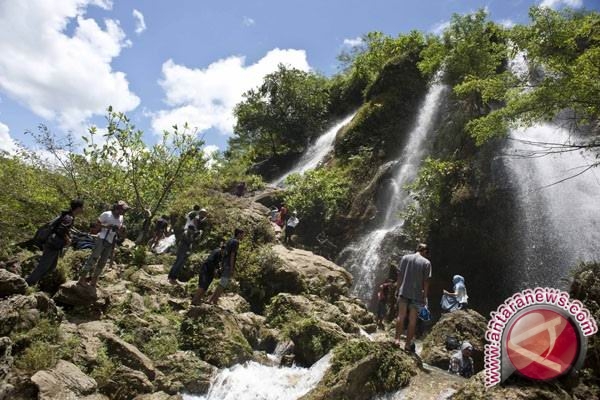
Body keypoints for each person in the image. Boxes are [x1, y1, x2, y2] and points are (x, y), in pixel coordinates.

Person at [26, 199, 84, 286]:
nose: (83, 209)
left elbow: (63, 228)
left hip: (54, 244)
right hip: (53, 244)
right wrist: (67, 239)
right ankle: (28, 283)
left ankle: (35, 282)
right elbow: (61, 230)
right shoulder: (69, 217)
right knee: (44, 266)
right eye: (82, 207)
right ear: (78, 208)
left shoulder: (68, 215)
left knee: (51, 266)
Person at [78, 201, 128, 287]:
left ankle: (94, 281)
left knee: (103, 262)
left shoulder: (121, 218)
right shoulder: (106, 214)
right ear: (118, 208)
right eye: (123, 210)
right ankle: (82, 279)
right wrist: (106, 226)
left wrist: (121, 230)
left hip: (110, 241)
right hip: (101, 238)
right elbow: (94, 225)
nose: (124, 212)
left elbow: (119, 231)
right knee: (93, 258)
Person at [395, 243, 432, 352]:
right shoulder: (426, 263)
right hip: (417, 295)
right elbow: (426, 282)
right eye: (427, 253)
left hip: (404, 292)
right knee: (412, 320)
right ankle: (407, 345)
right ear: (425, 251)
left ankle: (396, 340)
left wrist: (397, 289)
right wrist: (425, 297)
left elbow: (400, 275)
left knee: (400, 316)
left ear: (417, 249)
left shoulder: (405, 258)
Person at [209, 228, 245, 304]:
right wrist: (232, 268)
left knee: (222, 283)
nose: (243, 237)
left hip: (225, 264)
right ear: (239, 234)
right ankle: (213, 300)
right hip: (228, 265)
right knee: (223, 283)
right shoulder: (236, 242)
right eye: (242, 235)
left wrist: (222, 264)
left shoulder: (230, 240)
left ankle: (212, 299)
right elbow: (232, 255)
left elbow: (224, 253)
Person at [168, 211, 204, 284]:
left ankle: (172, 277)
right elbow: (188, 240)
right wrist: (195, 236)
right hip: (183, 248)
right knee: (179, 262)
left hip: (184, 248)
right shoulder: (188, 231)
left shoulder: (189, 229)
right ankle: (172, 277)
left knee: (180, 263)